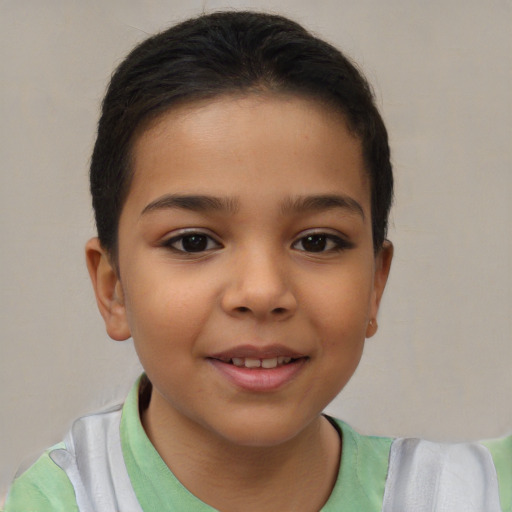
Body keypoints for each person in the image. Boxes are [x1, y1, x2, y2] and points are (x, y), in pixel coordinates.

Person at [3, 10, 510, 512]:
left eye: (317, 242)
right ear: (113, 288)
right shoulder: (52, 502)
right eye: (193, 242)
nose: (263, 292)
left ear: (375, 284)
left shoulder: (479, 493)